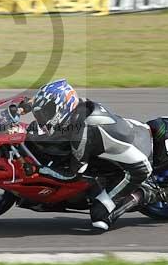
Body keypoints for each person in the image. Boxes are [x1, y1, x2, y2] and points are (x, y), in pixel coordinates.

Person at [21, 79, 159, 231]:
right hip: (134, 133)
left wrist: (40, 170)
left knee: (99, 216)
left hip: (137, 166)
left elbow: (72, 175)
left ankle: (144, 194)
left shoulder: (83, 133)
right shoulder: (78, 106)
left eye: (46, 112)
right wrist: (22, 108)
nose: (42, 117)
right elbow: (43, 102)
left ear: (61, 107)